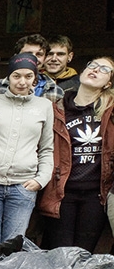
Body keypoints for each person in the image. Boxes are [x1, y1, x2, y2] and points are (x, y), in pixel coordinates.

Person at [0, 53, 54, 269]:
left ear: (35, 79)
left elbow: (47, 148)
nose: (22, 81)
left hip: (23, 185)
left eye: (29, 76)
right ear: (9, 77)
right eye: (17, 75)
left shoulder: (44, 106)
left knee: (14, 245)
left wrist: (41, 179)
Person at [38, 57, 114, 252]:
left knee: (84, 253)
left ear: (109, 83)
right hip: (62, 191)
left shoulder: (110, 111)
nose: (96, 70)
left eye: (104, 69)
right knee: (59, 252)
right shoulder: (57, 108)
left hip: (96, 194)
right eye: (92, 65)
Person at [0, 34, 64, 103]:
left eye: (39, 54)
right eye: (28, 53)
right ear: (16, 57)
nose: (33, 58)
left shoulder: (56, 92)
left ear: (45, 58)